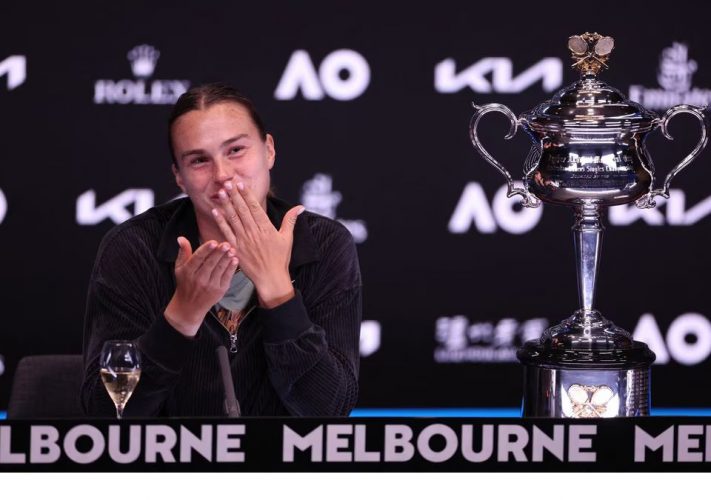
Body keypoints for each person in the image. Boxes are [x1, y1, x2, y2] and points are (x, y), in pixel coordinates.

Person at [81, 83, 362, 416]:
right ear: (180, 177)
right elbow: (105, 413)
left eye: (236, 151)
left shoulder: (324, 244)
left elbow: (327, 409)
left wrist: (277, 290)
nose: (223, 175)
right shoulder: (134, 248)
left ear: (268, 150)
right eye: (199, 160)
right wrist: (181, 315)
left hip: (280, 464)